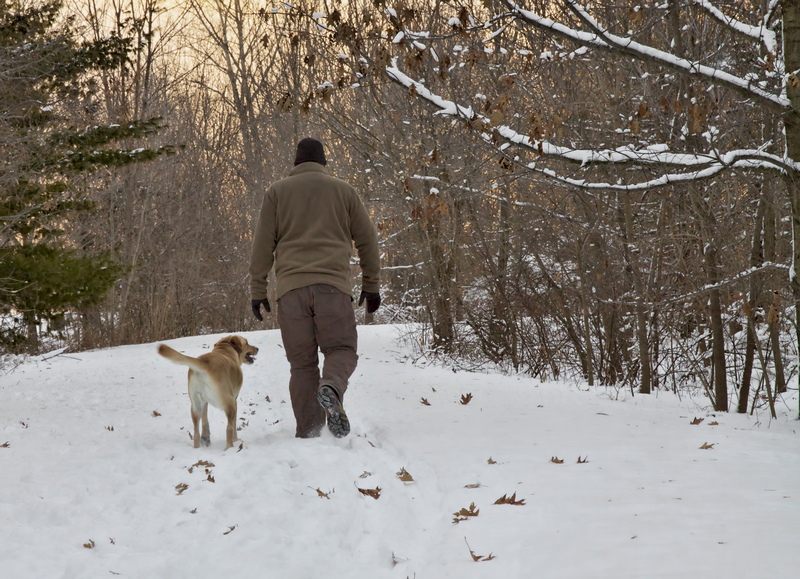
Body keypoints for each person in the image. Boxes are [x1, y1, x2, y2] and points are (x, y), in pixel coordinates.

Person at [249, 137, 381, 438]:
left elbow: (262, 245)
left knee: (302, 364)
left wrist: (258, 289)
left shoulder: (277, 192)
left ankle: (309, 433)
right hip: (332, 289)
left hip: (291, 292)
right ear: (324, 163)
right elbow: (367, 240)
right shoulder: (344, 191)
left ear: (295, 163)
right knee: (341, 348)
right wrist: (371, 284)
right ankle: (331, 386)